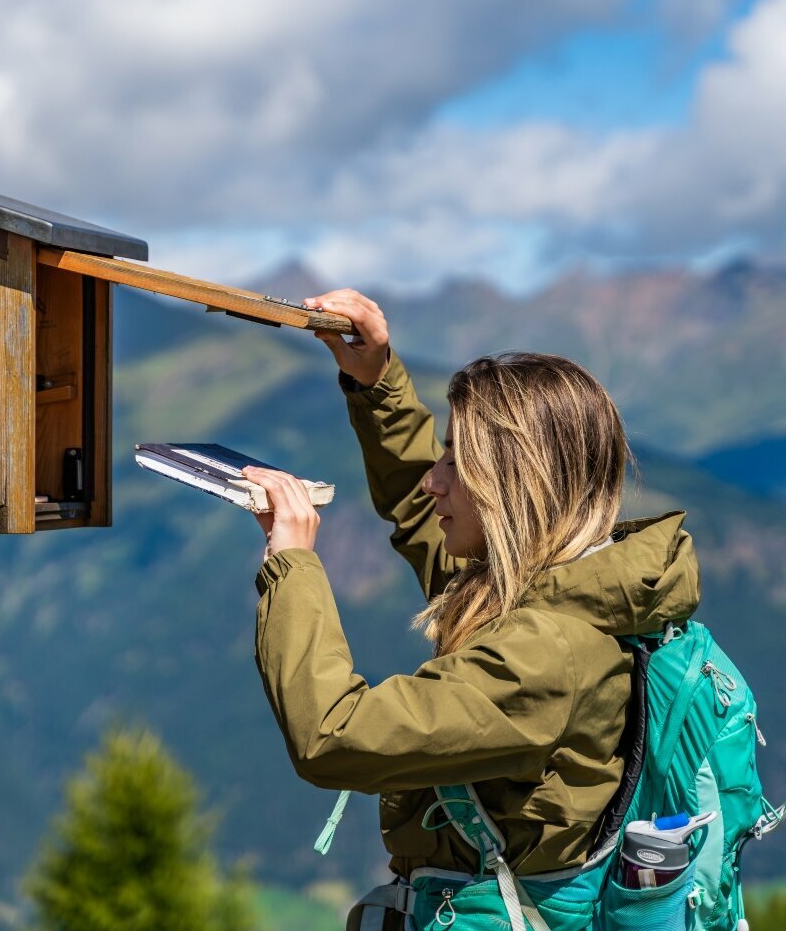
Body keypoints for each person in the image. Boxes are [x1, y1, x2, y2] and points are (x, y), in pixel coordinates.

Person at [241, 289, 699, 931]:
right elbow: (420, 509)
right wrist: (375, 380)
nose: (435, 480)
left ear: (514, 486)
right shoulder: (555, 590)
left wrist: (292, 563)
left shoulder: (545, 658)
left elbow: (333, 736)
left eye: (459, 461)